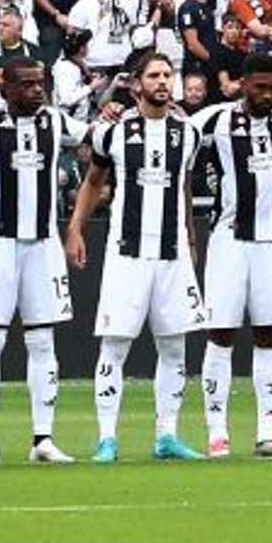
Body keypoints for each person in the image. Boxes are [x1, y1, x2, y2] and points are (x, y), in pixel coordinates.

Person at [71, 53, 206, 465]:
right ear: (137, 84)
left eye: (168, 75)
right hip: (126, 252)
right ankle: (106, 438)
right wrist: (75, 227)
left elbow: (182, 188)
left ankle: (167, 434)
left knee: (175, 347)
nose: (163, 82)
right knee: (115, 345)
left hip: (172, 253)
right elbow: (94, 182)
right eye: (154, 75)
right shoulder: (114, 133)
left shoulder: (188, 134)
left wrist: (191, 241)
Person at [0, 56, 84, 466]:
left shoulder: (56, 121)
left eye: (40, 83)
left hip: (44, 244)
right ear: (5, 86)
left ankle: (43, 439)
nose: (37, 90)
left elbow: (100, 139)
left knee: (43, 340)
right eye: (28, 84)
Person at [191, 59, 272, 457]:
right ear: (242, 84)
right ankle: (216, 433)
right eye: (260, 87)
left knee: (270, 334)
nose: (267, 96)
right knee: (221, 334)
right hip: (229, 240)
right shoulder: (213, 121)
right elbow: (176, 140)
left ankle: (267, 433)